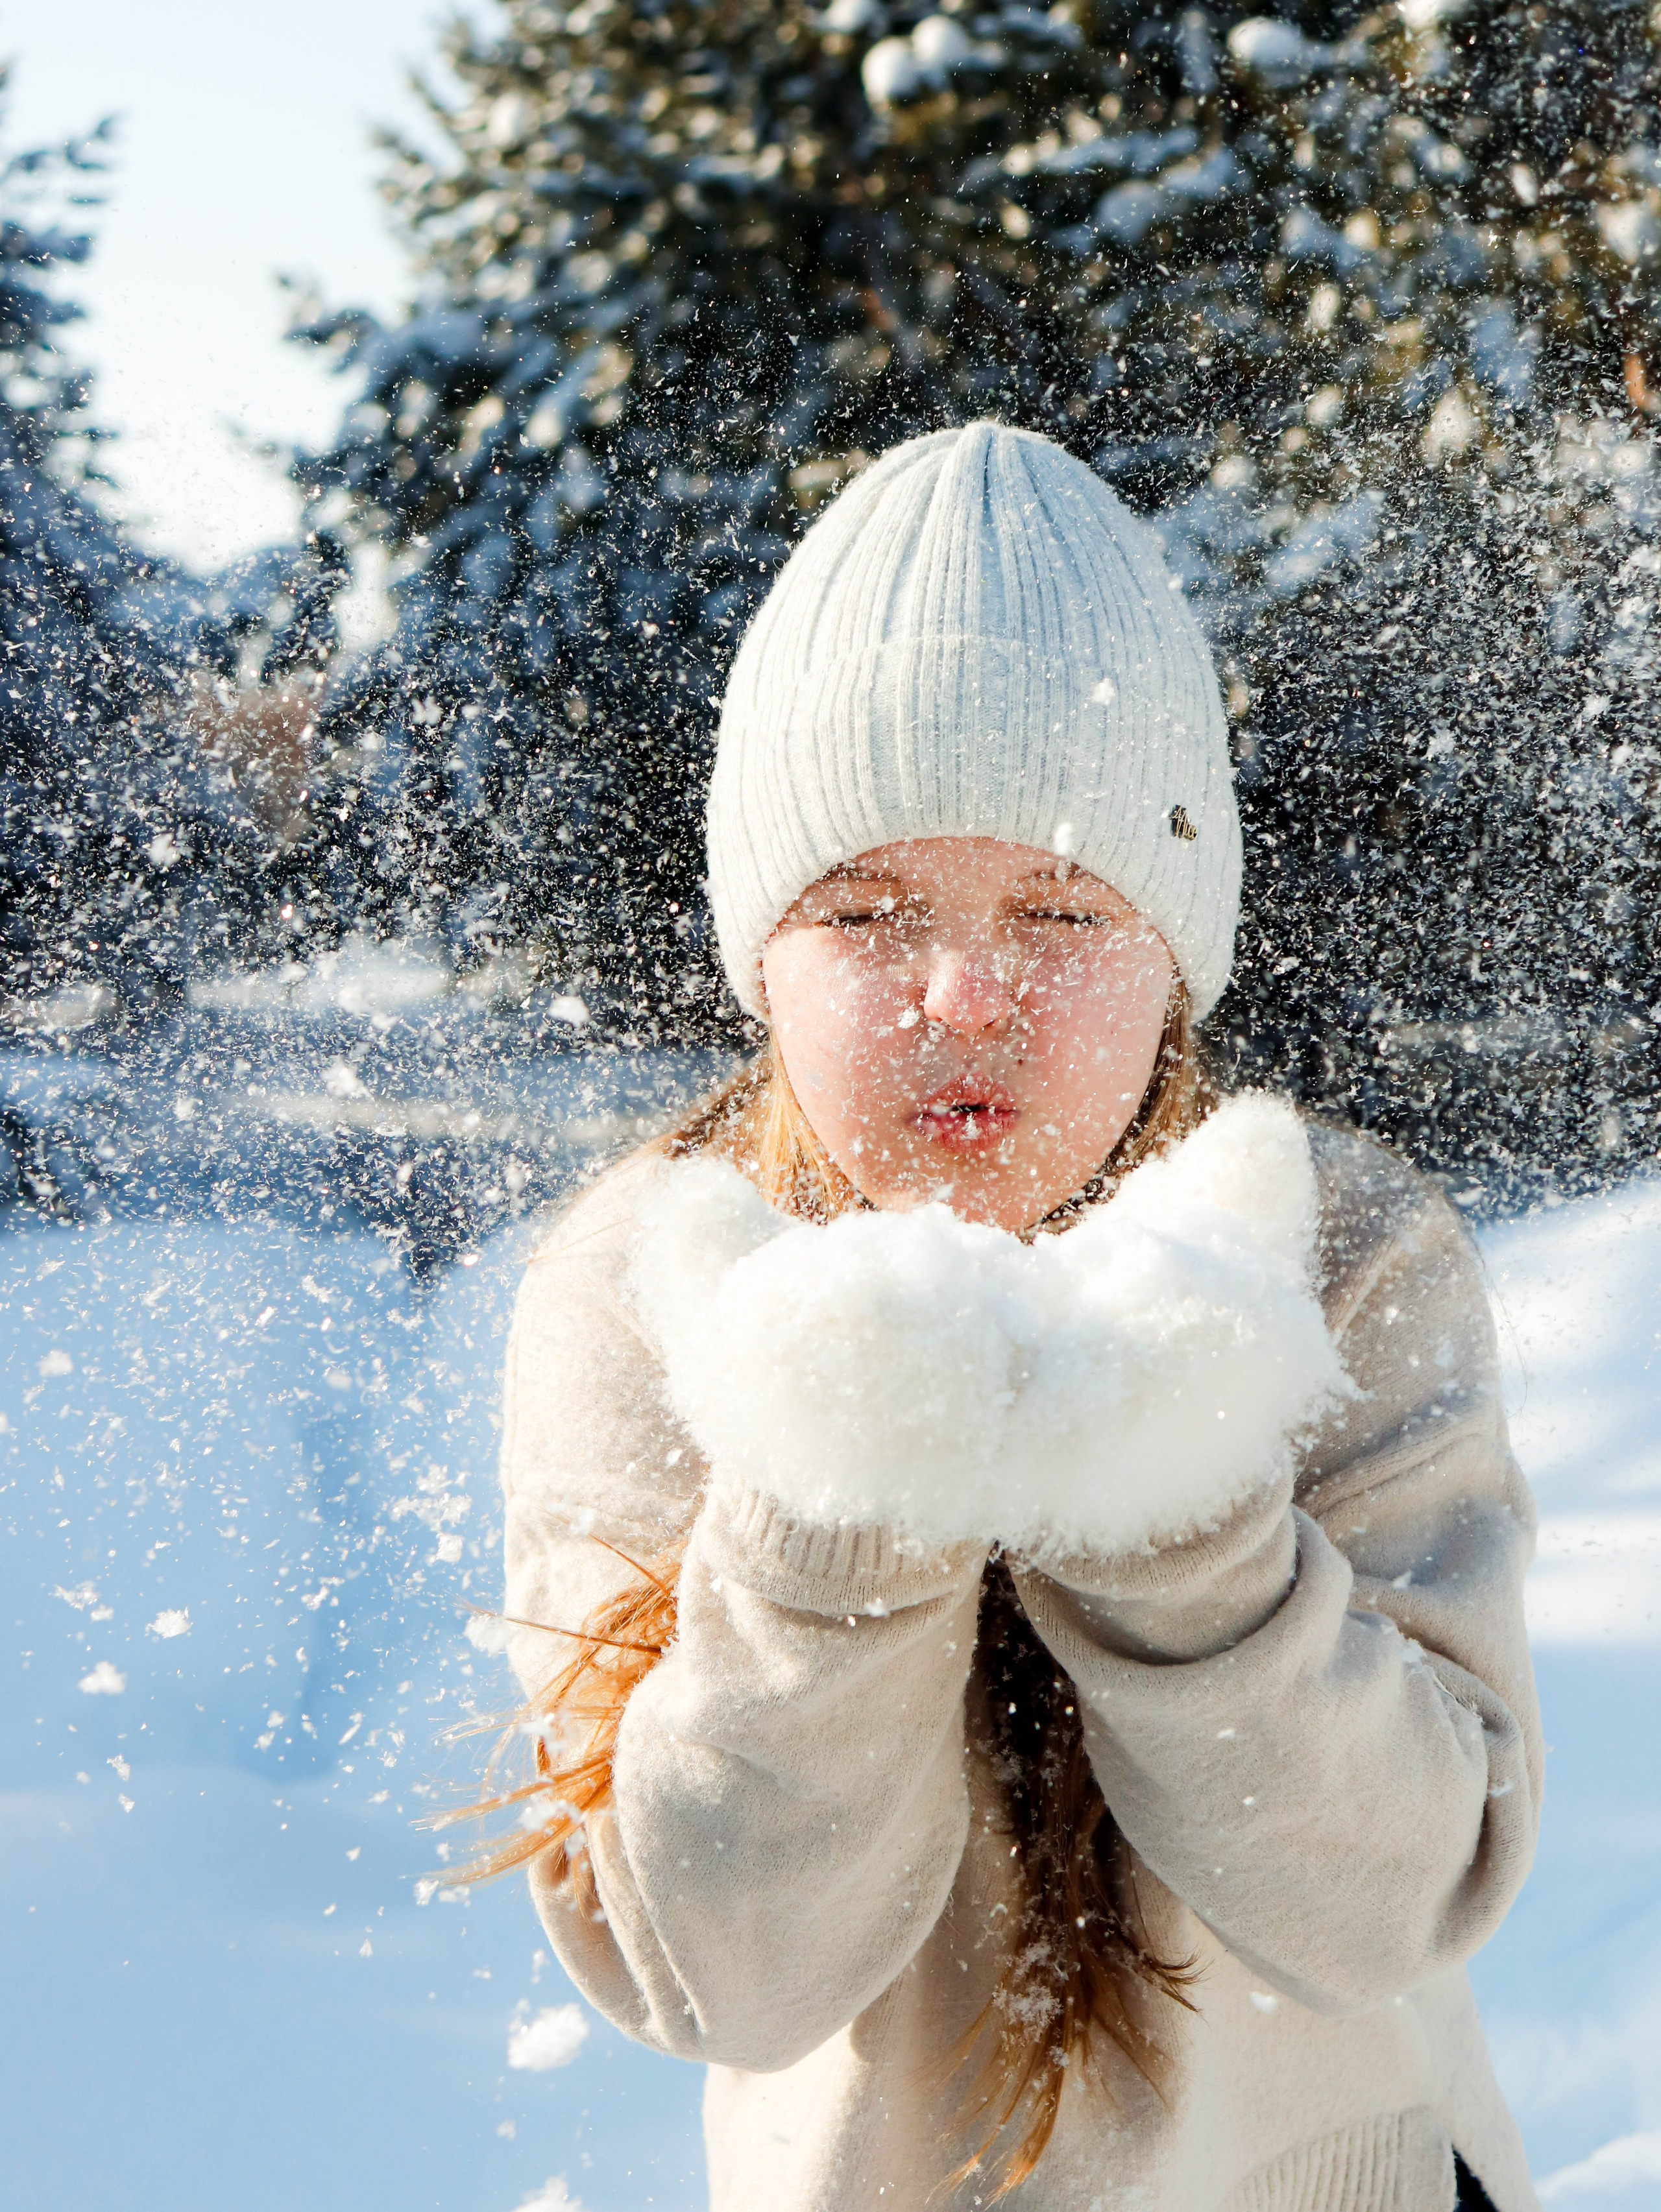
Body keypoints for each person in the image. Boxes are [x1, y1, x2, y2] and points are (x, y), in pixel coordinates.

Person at [478, 424, 1541, 2210]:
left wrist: (1178, 1510)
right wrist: (830, 1494)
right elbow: (718, 1975)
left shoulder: (1337, 1258)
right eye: (868, 910)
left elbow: (1396, 1905)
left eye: (1059, 905)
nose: (966, 993)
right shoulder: (650, 1291)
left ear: (1175, 956)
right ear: (760, 958)